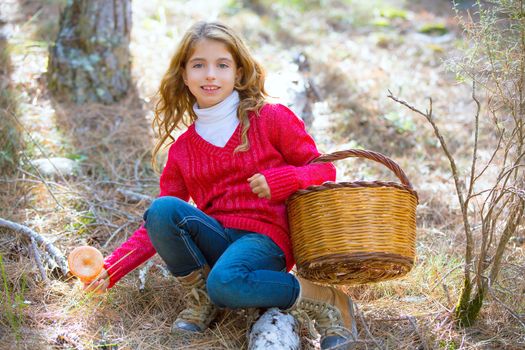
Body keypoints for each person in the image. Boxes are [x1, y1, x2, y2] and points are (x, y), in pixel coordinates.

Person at [84, 21, 358, 349]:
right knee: (162, 210)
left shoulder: (270, 118)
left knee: (226, 282)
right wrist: (112, 269)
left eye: (222, 65)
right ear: (184, 75)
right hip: (219, 238)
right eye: (199, 65)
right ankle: (203, 299)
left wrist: (282, 180)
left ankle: (326, 300)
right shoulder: (183, 149)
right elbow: (154, 227)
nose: (210, 75)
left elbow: (324, 169)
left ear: (238, 73)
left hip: (265, 240)